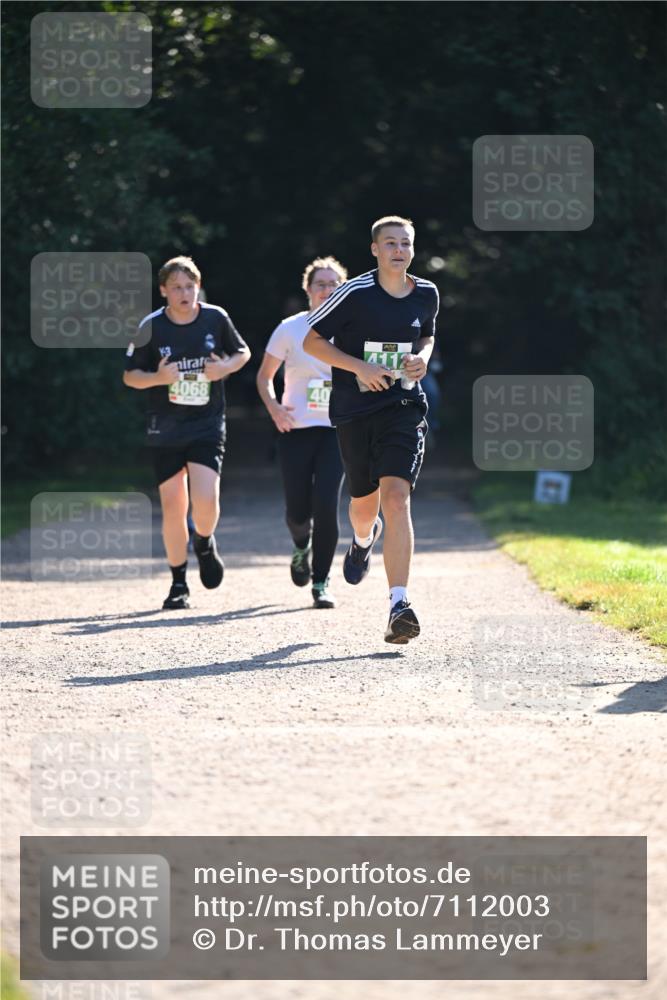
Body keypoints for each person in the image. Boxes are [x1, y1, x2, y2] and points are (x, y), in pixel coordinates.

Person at [303, 216, 439, 643]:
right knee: (364, 506)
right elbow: (311, 341)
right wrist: (359, 367)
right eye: (391, 243)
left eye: (406, 243)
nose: (399, 250)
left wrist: (421, 359)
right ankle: (363, 539)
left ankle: (399, 604)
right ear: (375, 249)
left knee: (396, 498)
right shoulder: (353, 292)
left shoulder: (427, 293)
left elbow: (427, 336)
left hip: (404, 406)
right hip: (356, 410)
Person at [123, 255, 251, 610]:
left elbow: (242, 352)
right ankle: (178, 582)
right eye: (176, 287)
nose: (184, 293)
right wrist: (158, 378)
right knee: (173, 505)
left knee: (206, 499)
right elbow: (130, 376)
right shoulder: (151, 326)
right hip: (165, 427)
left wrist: (225, 367)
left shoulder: (215, 318)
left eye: (190, 286)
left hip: (206, 423)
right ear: (163, 290)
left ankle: (205, 541)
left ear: (199, 286)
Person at [256, 257, 347, 609]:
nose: (327, 289)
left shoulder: (354, 327)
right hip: (295, 428)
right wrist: (274, 408)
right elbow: (264, 377)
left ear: (343, 288)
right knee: (298, 510)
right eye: (320, 284)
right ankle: (300, 546)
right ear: (308, 289)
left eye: (334, 283)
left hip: (337, 430)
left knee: (326, 505)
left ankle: (321, 582)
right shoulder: (290, 328)